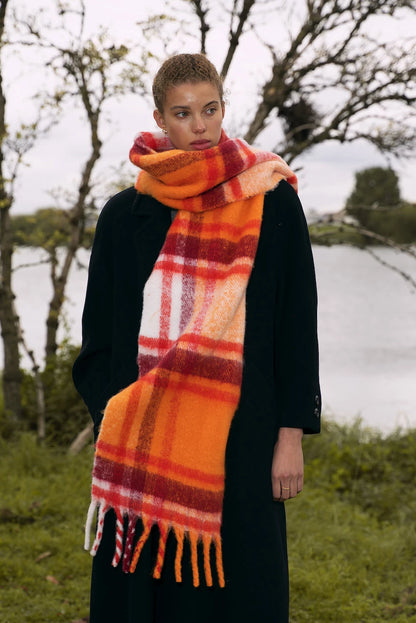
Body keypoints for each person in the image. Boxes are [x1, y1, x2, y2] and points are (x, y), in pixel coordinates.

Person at [72, 53, 321, 623]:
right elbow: (99, 339)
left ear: (223, 108)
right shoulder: (124, 214)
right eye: (184, 113)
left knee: (241, 592)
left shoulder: (271, 199)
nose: (201, 125)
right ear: (161, 118)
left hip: (245, 434)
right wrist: (116, 413)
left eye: (210, 109)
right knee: (146, 597)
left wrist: (291, 434)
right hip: (146, 435)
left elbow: (295, 325)